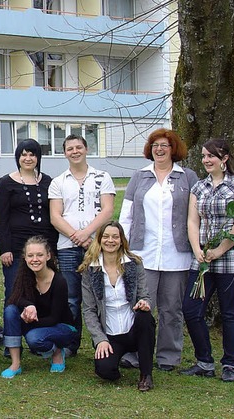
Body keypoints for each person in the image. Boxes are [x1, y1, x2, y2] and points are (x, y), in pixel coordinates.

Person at [118, 128, 199, 371]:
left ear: (174, 149)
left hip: (178, 255)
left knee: (172, 309)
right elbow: (126, 215)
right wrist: (122, 249)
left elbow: (196, 213)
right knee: (140, 306)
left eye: (165, 145)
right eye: (155, 146)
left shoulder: (188, 177)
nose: (159, 150)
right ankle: (133, 354)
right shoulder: (139, 176)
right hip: (144, 254)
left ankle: (168, 357)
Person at [180, 138, 234, 382]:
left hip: (231, 261)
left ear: (225, 159)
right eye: (203, 156)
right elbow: (192, 220)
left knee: (230, 312)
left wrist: (220, 250)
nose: (206, 160)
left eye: (211, 156)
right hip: (202, 261)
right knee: (191, 310)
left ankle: (230, 364)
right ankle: (204, 361)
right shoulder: (199, 187)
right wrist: (197, 249)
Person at [48, 134, 115, 357]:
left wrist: (88, 234)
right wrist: (76, 236)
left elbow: (107, 210)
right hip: (67, 247)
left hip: (98, 246)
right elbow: (55, 216)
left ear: (86, 149)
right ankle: (70, 344)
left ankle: (106, 342)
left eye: (79, 147)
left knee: (102, 294)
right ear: (64, 153)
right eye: (70, 148)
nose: (75, 151)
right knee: (71, 297)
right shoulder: (58, 182)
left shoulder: (102, 177)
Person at [80, 221, 156, 392]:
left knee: (146, 318)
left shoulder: (134, 264)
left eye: (115, 237)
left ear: (121, 240)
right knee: (105, 370)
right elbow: (89, 310)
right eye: (106, 236)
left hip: (133, 328)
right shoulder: (90, 270)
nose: (110, 240)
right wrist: (99, 339)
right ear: (99, 240)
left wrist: (144, 303)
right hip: (110, 334)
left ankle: (146, 375)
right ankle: (116, 361)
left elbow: (145, 295)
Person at [1, 236, 75, 378]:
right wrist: (29, 306)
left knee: (34, 338)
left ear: (48, 256)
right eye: (30, 255)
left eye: (39, 255)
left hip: (62, 327)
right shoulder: (24, 274)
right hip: (37, 322)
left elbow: (55, 318)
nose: (35, 259)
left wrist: (28, 322)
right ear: (25, 257)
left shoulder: (59, 281)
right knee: (10, 310)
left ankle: (57, 351)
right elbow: (14, 298)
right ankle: (15, 364)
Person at [0, 139, 59, 303]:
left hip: (44, 247)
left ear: (38, 158)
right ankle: (13, 328)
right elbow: (1, 220)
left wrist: (52, 250)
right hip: (16, 248)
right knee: (14, 292)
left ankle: (39, 327)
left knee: (44, 291)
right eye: (24, 155)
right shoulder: (6, 183)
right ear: (18, 157)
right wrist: (5, 249)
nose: (28, 158)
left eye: (32, 154)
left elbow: (53, 215)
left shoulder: (48, 182)